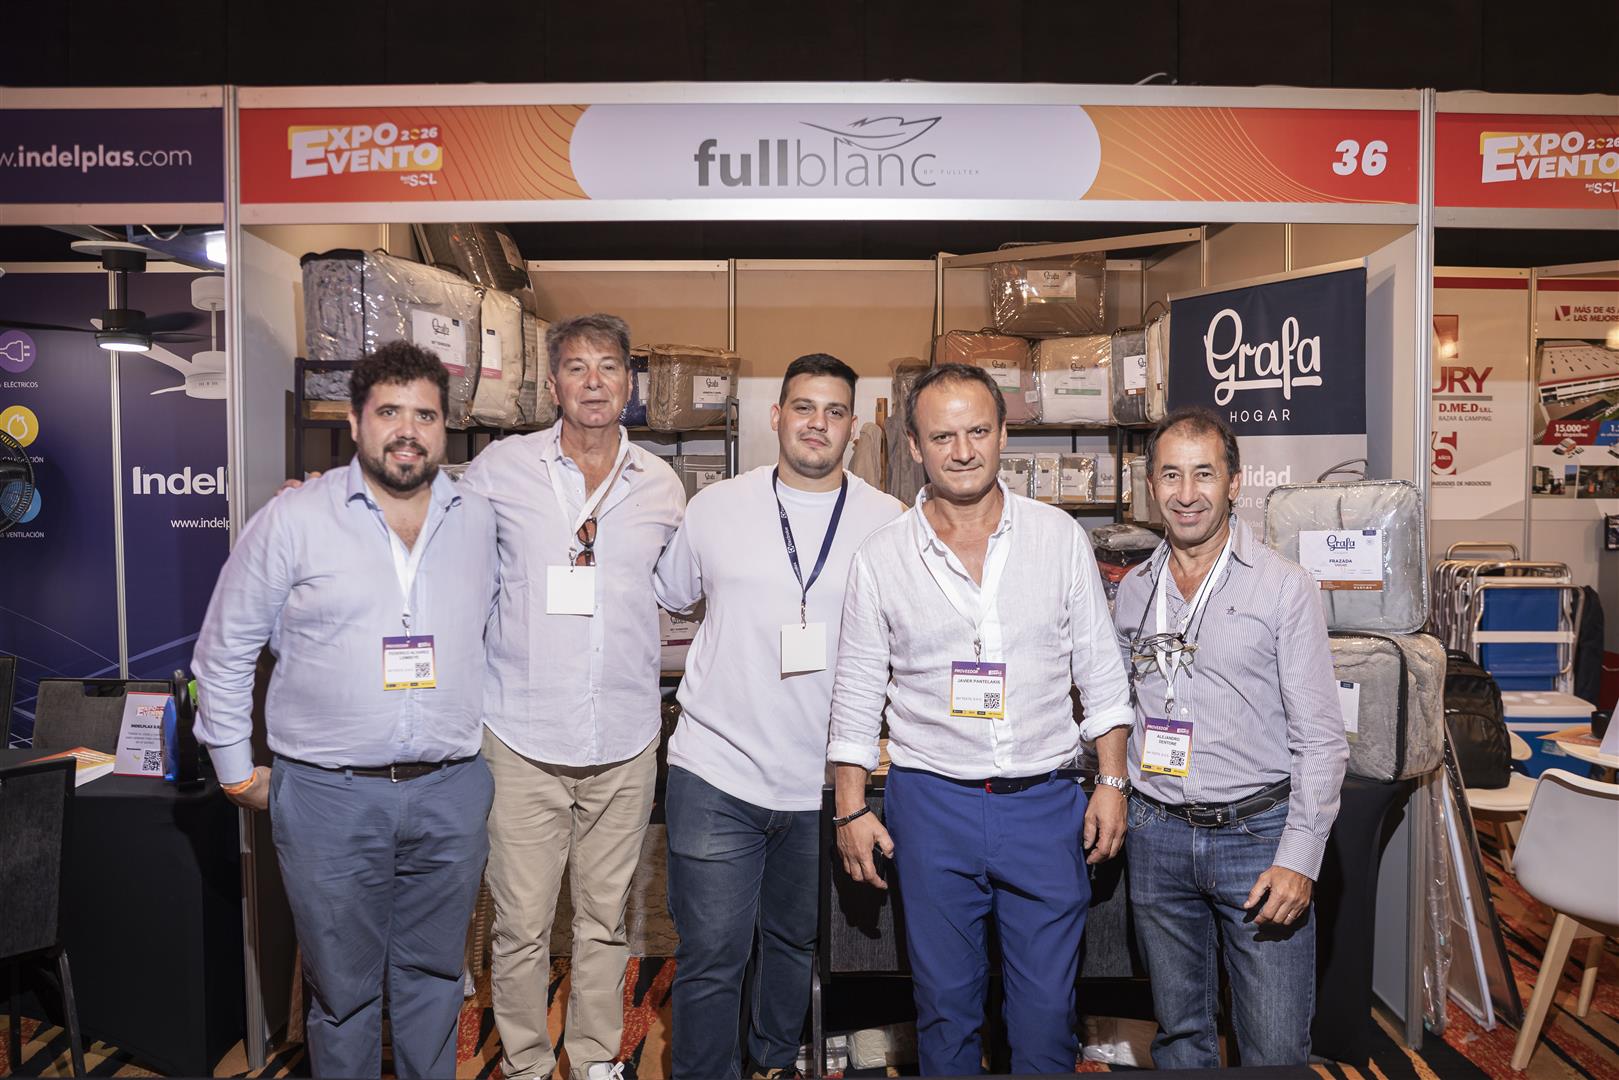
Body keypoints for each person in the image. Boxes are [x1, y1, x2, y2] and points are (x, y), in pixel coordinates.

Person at [192, 342, 498, 1078]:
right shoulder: (294, 518)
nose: (408, 430)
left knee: (435, 980)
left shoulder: (479, 520)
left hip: (451, 789)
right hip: (329, 796)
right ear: (355, 422)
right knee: (342, 993)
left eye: (425, 415)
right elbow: (224, 650)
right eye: (389, 412)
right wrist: (235, 772)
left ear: (445, 428)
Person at [827, 362, 1134, 1076]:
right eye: (942, 436)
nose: (962, 451)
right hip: (931, 806)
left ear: (1003, 436)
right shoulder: (881, 557)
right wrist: (849, 807)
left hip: (1045, 806)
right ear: (914, 447)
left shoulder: (1058, 537)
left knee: (1045, 1017)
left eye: (977, 432)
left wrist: (1113, 782)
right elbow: (857, 689)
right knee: (945, 1012)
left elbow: (1100, 671)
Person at [653, 354, 903, 1080]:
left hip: (823, 783)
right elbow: (673, 594)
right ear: (776, 416)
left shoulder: (888, 522)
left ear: (852, 428)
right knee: (712, 953)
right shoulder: (716, 507)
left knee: (793, 945)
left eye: (834, 411)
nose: (817, 423)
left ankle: (770, 1064)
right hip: (715, 768)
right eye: (803, 407)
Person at [459, 313, 684, 1080]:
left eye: (609, 366)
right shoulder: (499, 469)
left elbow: (681, 589)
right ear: (552, 384)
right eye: (577, 367)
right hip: (521, 736)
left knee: (605, 921)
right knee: (521, 925)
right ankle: (526, 1064)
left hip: (623, 738)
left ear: (629, 382)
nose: (594, 381)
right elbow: (439, 548)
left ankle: (593, 1062)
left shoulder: (660, 485)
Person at [1112, 406, 1347, 1069]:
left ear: (1234, 483)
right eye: (1170, 475)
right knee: (1179, 1036)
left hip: (1257, 839)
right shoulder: (1134, 590)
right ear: (1150, 485)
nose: (1186, 494)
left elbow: (1322, 739)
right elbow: (1119, 704)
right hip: (1155, 834)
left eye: (1204, 474)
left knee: (1273, 1049)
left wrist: (1300, 856)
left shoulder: (1283, 587)